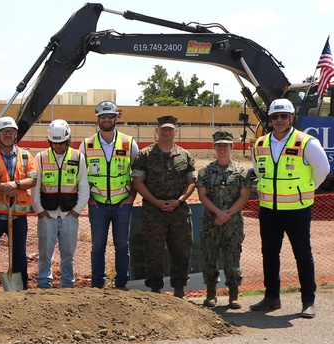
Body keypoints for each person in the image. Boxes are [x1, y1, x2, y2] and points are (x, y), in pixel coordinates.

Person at [250, 99, 329, 318]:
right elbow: (258, 171)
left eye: (284, 116)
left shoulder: (306, 142)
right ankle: (272, 297)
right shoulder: (260, 144)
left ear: (291, 118)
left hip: (297, 209)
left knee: (303, 255)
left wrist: (304, 189)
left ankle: (308, 301)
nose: (279, 120)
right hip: (269, 210)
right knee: (269, 254)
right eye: (275, 117)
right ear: (270, 119)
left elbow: (322, 169)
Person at [131, 115, 196, 298]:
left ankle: (179, 289)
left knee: (182, 251)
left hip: (179, 212)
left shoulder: (185, 155)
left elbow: (191, 182)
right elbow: (138, 181)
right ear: (157, 131)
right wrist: (155, 201)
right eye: (163, 129)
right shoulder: (144, 155)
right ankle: (155, 291)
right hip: (153, 212)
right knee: (153, 252)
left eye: (170, 129)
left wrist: (180, 200)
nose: (166, 132)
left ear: (176, 131)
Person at [80, 101, 138, 289]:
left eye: (110, 116)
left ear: (116, 118)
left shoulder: (129, 143)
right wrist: (88, 197)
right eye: (103, 116)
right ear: (98, 119)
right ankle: (98, 284)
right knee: (98, 247)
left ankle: (121, 283)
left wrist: (131, 197)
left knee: (122, 245)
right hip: (97, 205)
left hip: (122, 203)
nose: (106, 119)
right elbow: (80, 175)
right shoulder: (87, 144)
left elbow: (137, 173)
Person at [0, 116, 37, 291]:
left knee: (19, 254)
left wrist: (16, 184)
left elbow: (32, 180)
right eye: (4, 132)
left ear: (16, 133)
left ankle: (21, 286)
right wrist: (3, 187)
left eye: (11, 131)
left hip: (17, 216)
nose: (8, 135)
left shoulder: (26, 156)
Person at [195, 130, 253, 308]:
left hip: (233, 223)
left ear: (231, 146)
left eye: (225, 145)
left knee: (232, 259)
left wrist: (227, 214)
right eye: (219, 145)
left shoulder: (242, 171)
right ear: (214, 147)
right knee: (210, 259)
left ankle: (234, 295)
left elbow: (244, 197)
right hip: (211, 222)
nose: (222, 148)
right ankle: (211, 294)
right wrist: (218, 213)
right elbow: (202, 196)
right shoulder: (205, 171)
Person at [31, 120, 88, 289]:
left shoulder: (78, 157)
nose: (58, 146)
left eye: (62, 143)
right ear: (50, 141)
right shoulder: (40, 158)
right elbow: (35, 187)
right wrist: (39, 211)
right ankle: (44, 283)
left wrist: (77, 211)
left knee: (68, 254)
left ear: (68, 140)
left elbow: (83, 186)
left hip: (69, 214)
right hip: (47, 215)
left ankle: (68, 284)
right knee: (44, 253)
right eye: (55, 143)